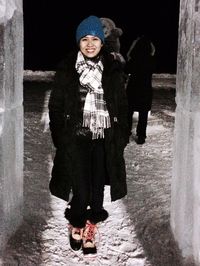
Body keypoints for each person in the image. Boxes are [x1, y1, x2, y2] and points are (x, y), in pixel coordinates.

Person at [48, 15, 129, 255]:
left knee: (97, 192)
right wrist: (60, 138)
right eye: (85, 39)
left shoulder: (113, 71)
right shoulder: (67, 71)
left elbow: (122, 107)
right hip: (76, 141)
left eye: (95, 38)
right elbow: (56, 107)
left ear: (103, 42)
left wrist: (121, 136)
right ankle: (76, 222)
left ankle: (91, 228)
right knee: (81, 191)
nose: (90, 43)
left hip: (104, 140)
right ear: (78, 42)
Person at [125, 35, 156, 144]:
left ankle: (126, 133)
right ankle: (141, 136)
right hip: (145, 90)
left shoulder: (133, 59)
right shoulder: (150, 60)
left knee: (129, 112)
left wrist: (132, 47)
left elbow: (126, 66)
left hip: (133, 89)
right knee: (143, 115)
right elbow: (153, 52)